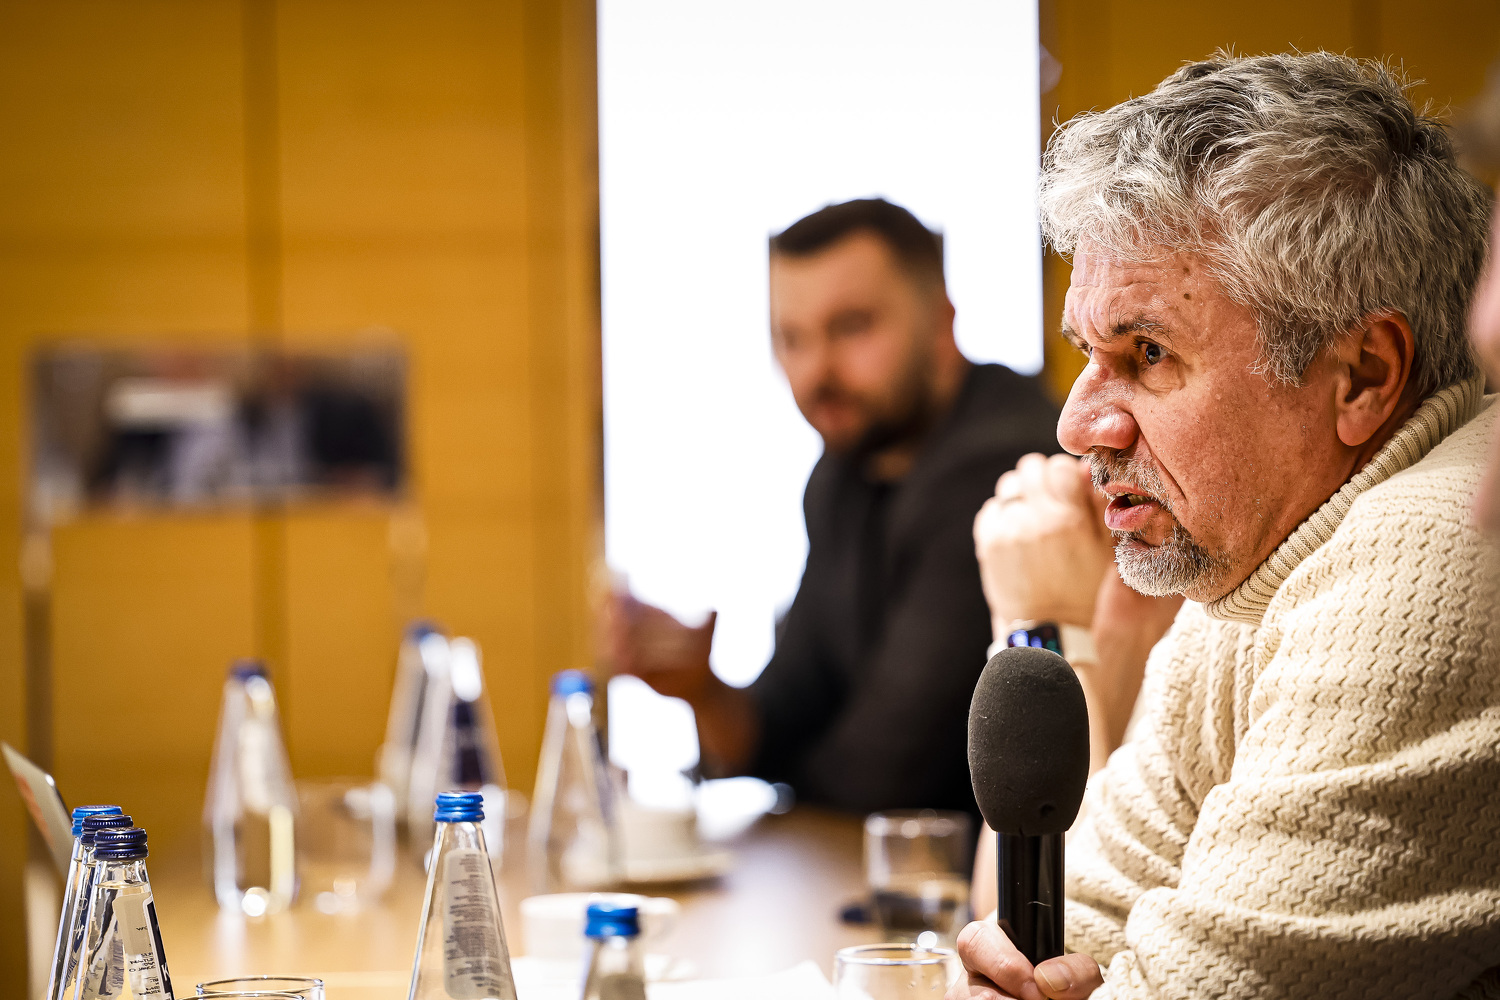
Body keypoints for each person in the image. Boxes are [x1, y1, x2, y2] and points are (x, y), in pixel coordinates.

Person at [956, 53, 1500, 999]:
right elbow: (1057, 930)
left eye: (1148, 353)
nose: (1077, 425)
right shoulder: (1257, 566)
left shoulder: (1433, 547)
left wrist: (1048, 626)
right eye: (1088, 353)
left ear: (1364, 376)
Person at [605, 198, 1059, 816]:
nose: (816, 371)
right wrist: (702, 691)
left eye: (851, 327)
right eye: (791, 338)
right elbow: (788, 713)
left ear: (940, 322)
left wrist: (783, 770)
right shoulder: (844, 473)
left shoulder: (1003, 470)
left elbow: (887, 776)